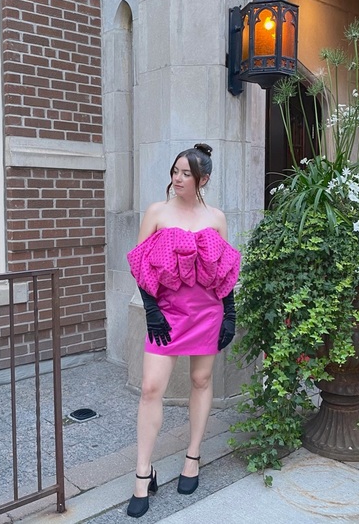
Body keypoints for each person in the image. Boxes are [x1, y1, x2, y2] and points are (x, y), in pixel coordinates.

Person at [125, 143, 241, 518]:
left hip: (207, 312)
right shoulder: (157, 212)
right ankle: (143, 474)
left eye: (186, 174)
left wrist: (230, 314)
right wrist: (151, 310)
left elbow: (224, 270)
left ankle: (193, 456)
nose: (177, 179)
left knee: (201, 380)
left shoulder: (216, 218)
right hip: (166, 312)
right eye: (175, 171)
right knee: (151, 388)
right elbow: (140, 264)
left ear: (202, 180)